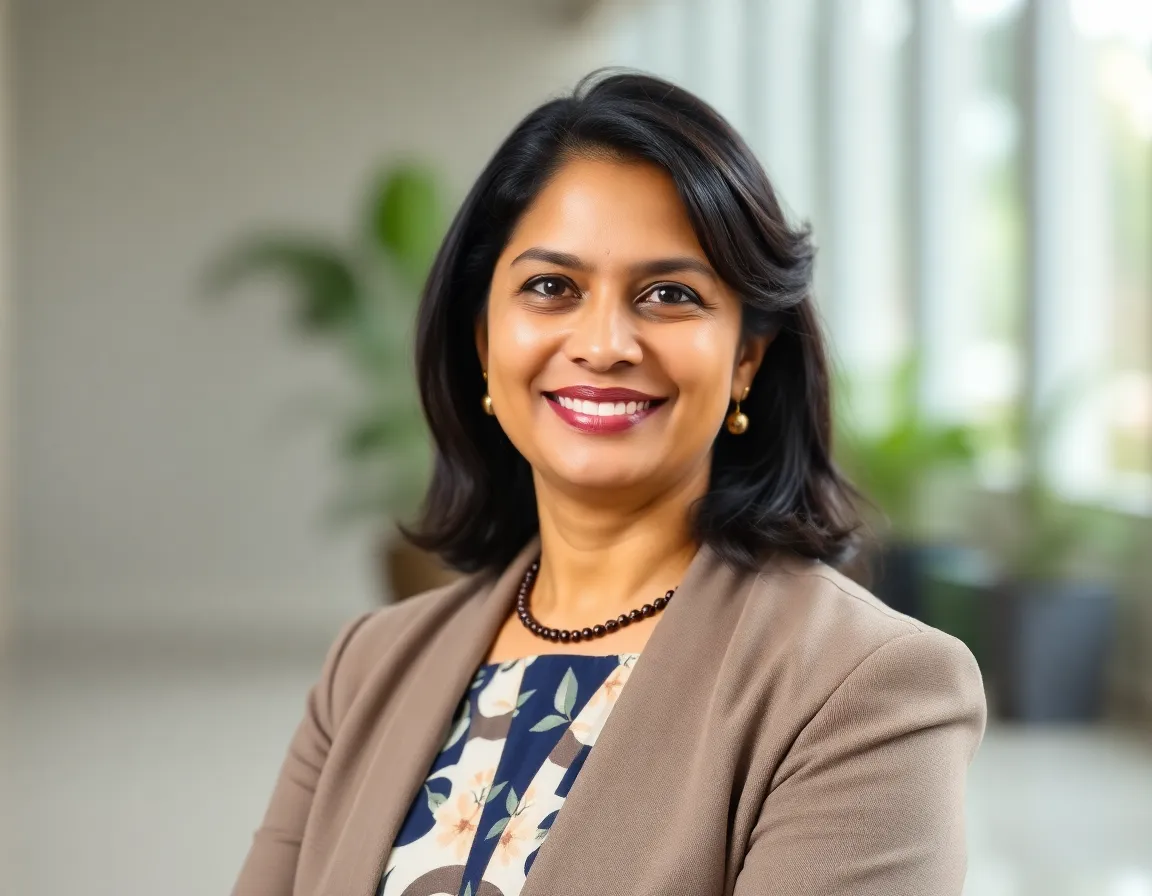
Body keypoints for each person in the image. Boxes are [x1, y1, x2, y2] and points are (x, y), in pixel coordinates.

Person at [232, 69, 987, 896]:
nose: (603, 343)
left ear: (746, 357)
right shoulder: (369, 668)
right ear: (483, 339)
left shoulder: (865, 688)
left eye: (669, 294)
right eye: (551, 287)